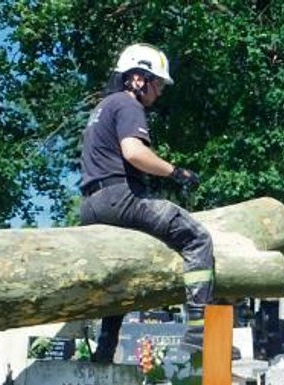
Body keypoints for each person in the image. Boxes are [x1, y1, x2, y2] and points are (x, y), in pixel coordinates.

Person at [79, 43, 213, 363]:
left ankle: (105, 349)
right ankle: (199, 335)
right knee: (197, 237)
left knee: (125, 270)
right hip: (119, 198)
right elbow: (134, 153)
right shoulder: (127, 104)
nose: (160, 92)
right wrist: (175, 172)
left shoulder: (102, 108)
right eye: (158, 83)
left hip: (91, 205)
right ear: (138, 79)